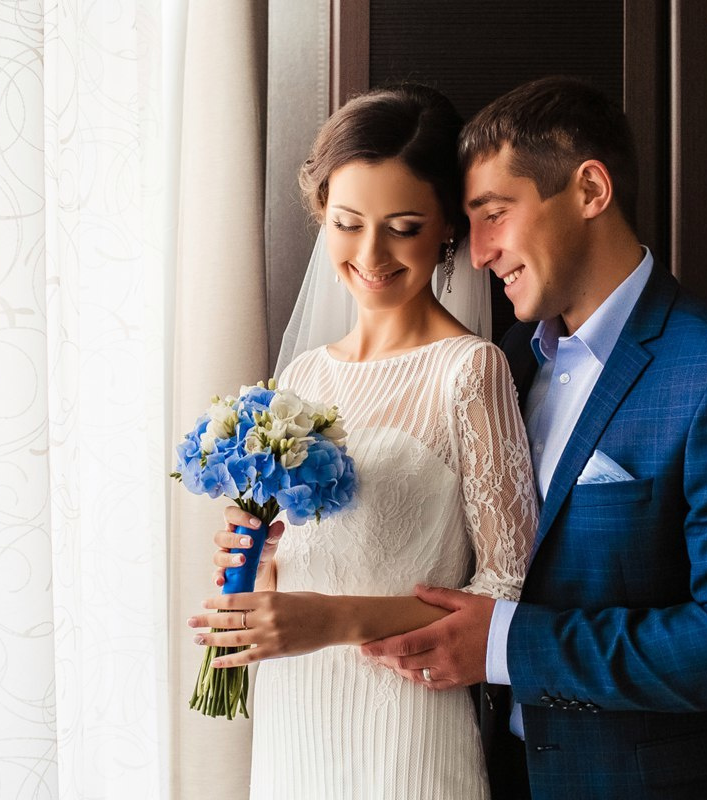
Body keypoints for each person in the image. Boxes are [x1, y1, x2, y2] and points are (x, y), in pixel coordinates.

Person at [358, 76, 707, 800]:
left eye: (493, 215)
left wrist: (509, 646)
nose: (477, 253)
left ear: (590, 190)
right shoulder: (501, 364)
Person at [188, 84, 538, 799]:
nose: (370, 253)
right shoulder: (304, 375)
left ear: (447, 225)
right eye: (347, 223)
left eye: (403, 226)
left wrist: (335, 620)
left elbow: (505, 588)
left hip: (405, 726)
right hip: (296, 717)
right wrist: (260, 568)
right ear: (323, 216)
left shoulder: (471, 371)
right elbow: (303, 562)